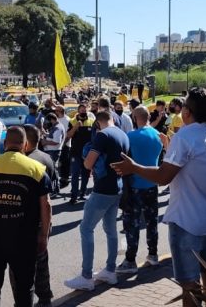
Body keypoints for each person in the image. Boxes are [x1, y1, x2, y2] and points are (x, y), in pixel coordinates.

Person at [111, 88, 206, 306]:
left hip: (186, 221)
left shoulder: (186, 136)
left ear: (188, 112)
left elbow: (163, 177)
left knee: (190, 285)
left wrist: (133, 167)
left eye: (183, 107)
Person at [0, 127, 52, 307]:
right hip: (23, 239)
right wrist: (43, 234)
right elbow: (46, 205)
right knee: (24, 288)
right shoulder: (37, 169)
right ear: (25, 145)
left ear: (5, 144)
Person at [64, 111, 129, 291]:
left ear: (98, 123)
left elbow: (87, 163)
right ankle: (110, 270)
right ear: (112, 119)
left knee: (86, 228)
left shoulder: (102, 135)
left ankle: (86, 276)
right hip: (117, 186)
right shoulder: (123, 134)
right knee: (110, 229)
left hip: (102, 188)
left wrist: (88, 159)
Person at [115, 106, 163, 275]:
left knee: (132, 224)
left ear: (135, 118)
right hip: (152, 183)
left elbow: (123, 158)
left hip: (135, 185)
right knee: (152, 221)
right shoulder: (158, 135)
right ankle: (153, 254)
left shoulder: (131, 136)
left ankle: (130, 260)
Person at [22, 124, 57, 307]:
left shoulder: (27, 163)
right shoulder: (47, 158)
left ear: (25, 142)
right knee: (42, 261)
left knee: (24, 268)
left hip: (30, 220)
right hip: (45, 219)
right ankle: (45, 297)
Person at [67, 103, 94, 204]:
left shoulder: (91, 121)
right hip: (75, 153)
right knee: (75, 174)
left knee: (85, 175)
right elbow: (68, 136)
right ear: (78, 111)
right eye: (81, 109)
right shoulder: (72, 121)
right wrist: (75, 127)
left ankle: (82, 194)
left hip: (87, 154)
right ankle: (74, 196)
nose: (83, 111)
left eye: (85, 109)